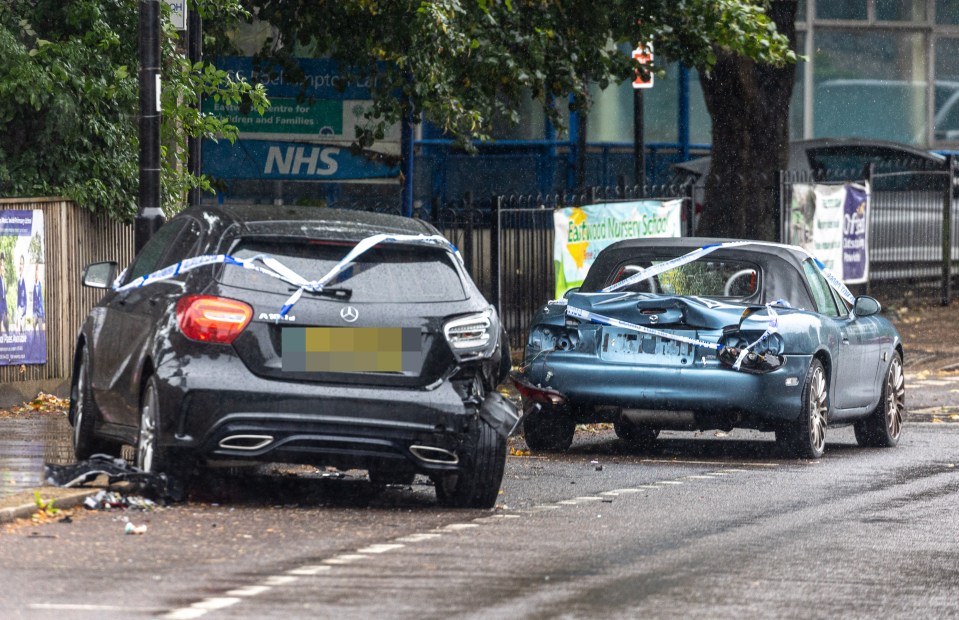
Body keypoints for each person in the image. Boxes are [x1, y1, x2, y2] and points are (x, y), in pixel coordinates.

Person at [16, 254, 27, 331]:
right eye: (20, 264)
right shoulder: (18, 279)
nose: (20, 266)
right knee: (19, 329)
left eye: (22, 264)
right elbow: (18, 295)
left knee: (23, 330)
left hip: (24, 307)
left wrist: (25, 308)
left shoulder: (25, 278)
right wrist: (17, 307)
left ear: (24, 266)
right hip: (19, 307)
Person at [33, 262, 44, 332]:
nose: (36, 276)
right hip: (35, 312)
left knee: (41, 329)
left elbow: (41, 300)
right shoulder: (34, 286)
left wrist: (42, 313)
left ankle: (41, 341)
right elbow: (34, 300)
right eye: (35, 275)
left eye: (37, 275)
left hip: (40, 312)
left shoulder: (40, 285)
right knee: (33, 324)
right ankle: (35, 338)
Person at [0, 252, 8, 333]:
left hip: (3, 309)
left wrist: (6, 310)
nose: (3, 268)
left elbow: (4, 297)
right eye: (1, 265)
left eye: (3, 265)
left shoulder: (3, 281)